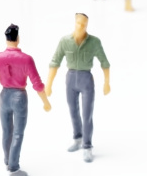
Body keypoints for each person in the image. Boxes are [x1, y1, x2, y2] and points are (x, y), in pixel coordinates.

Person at [0, 24, 51, 176]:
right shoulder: (26, 59)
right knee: (18, 133)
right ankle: (13, 167)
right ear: (18, 38)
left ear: (6, 39)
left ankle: (8, 160)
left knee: (7, 131)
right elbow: (37, 84)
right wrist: (45, 101)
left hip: (4, 96)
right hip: (19, 96)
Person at [45, 13, 111, 163]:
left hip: (86, 79)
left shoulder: (94, 42)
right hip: (70, 79)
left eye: (84, 24)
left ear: (87, 25)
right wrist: (49, 84)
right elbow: (55, 62)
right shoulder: (64, 41)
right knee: (73, 110)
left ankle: (87, 146)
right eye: (78, 23)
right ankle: (78, 138)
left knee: (87, 113)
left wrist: (106, 82)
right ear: (74, 23)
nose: (81, 26)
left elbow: (104, 62)